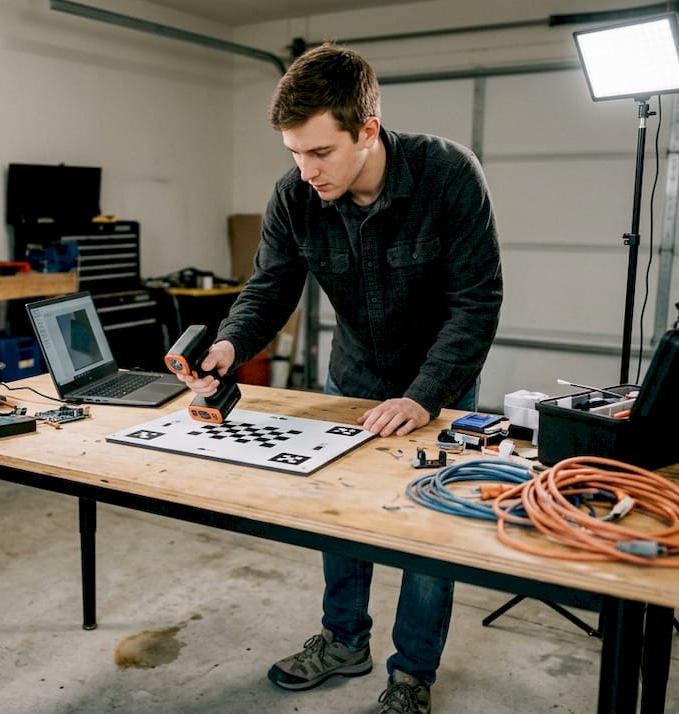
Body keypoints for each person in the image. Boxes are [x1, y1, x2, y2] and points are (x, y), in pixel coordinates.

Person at [176, 43, 503, 713]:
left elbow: (477, 301)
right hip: (352, 375)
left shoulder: (446, 177)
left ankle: (412, 676)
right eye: (294, 152)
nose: (305, 169)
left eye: (320, 152)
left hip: (438, 382)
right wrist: (229, 345)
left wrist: (421, 397)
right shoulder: (296, 196)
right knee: (340, 516)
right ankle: (344, 640)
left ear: (368, 130)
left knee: (427, 530)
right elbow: (270, 286)